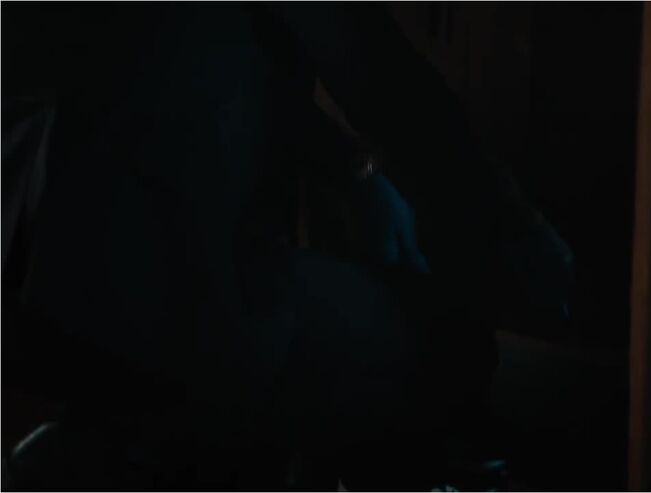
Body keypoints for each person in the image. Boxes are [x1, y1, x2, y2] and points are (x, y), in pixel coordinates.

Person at [2, 3, 572, 489]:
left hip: (35, 285)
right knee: (454, 351)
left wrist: (356, 172)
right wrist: (519, 231)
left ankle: (126, 439)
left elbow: (186, 69)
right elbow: (387, 83)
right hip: (163, 303)